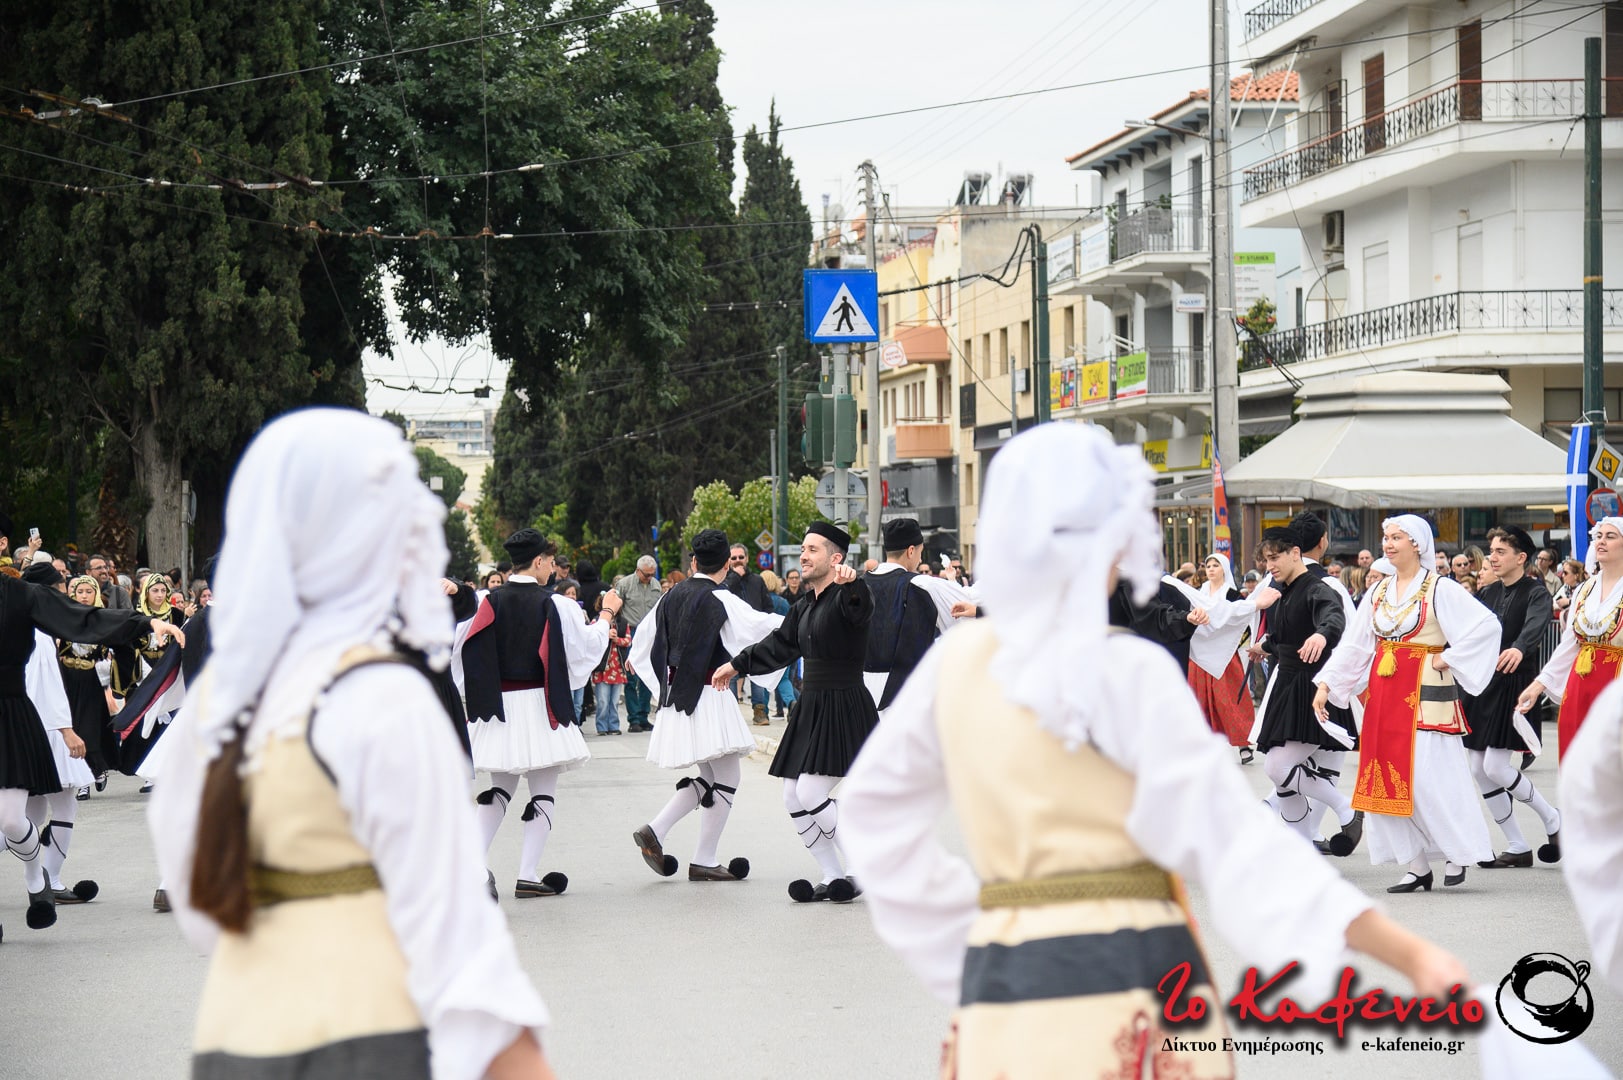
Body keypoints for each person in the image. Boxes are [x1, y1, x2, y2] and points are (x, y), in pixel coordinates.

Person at [838, 423, 1469, 1078]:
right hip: (1136, 971)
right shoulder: (1126, 671)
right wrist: (1407, 954)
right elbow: (1233, 840)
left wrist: (966, 941)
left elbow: (873, 816)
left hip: (1008, 980)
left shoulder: (960, 663)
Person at [146, 409, 556, 1080]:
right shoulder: (381, 696)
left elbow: (197, 895)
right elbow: (453, 923)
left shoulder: (227, 692)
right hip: (370, 1032)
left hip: (238, 1032)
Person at [0, 512, 183, 938]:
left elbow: (83, 619)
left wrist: (145, 622)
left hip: (9, 713)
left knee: (11, 820)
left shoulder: (21, 595)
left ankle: (36, 875)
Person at [1314, 515, 1499, 892]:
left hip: (1426, 693)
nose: (1388, 543)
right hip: (1384, 695)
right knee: (1382, 780)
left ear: (1417, 544)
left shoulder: (1439, 588)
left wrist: (1449, 657)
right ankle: (1417, 865)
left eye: (1397, 537)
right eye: (1386, 537)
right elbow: (1355, 645)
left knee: (1431, 778)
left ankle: (1456, 852)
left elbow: (1486, 626)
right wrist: (1327, 683)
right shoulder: (1378, 592)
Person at [710, 522, 876, 903]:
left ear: (835, 558)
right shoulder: (803, 607)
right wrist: (736, 665)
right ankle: (832, 874)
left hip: (845, 703)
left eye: (813, 549)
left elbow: (861, 608)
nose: (804, 555)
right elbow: (779, 646)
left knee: (810, 790)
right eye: (803, 549)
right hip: (812, 705)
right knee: (792, 796)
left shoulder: (849, 595)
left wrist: (854, 583)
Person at [456, 528, 620, 899]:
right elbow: (586, 648)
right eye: (548, 562)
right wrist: (607, 613)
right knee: (543, 791)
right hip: (542, 706)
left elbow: (461, 652)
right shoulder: (557, 605)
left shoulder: (487, 601)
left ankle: (472, 869)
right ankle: (527, 874)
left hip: (499, 706)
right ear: (540, 561)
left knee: (499, 789)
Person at [628, 530, 783, 883]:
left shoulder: (670, 596)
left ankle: (657, 831)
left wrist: (658, 683)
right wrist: (801, 622)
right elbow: (760, 627)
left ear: (694, 561)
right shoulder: (721, 598)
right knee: (728, 777)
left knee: (711, 777)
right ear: (727, 564)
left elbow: (644, 643)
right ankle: (703, 858)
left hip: (678, 696)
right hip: (710, 693)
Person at [1251, 526, 1364, 856]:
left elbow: (1334, 618)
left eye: (1275, 558)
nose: (1269, 565)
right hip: (1287, 687)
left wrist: (1322, 634)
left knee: (1277, 768)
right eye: (1266, 560)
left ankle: (1346, 809)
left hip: (1312, 689)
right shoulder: (1282, 590)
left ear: (1295, 553)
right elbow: (1286, 634)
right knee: (1282, 778)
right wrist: (1265, 646)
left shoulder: (1317, 587)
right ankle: (1301, 852)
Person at [1462, 527, 1561, 869]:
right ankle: (1517, 845)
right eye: (1491, 550)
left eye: (1500, 551)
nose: (1492, 557)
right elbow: (1468, 631)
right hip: (1484, 684)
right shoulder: (1487, 593)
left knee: (1495, 766)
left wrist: (1519, 647)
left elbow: (1535, 626)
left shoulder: (1536, 592)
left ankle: (1552, 818)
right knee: (1478, 768)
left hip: (1516, 685)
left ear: (1521, 558)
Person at [19, 562, 99, 906]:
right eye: (61, 592)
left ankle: (49, 879)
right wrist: (66, 731)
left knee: (29, 816)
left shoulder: (25, 627)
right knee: (60, 806)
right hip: (45, 729)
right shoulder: (38, 634)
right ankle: (51, 880)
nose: (65, 598)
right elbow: (47, 688)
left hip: (32, 728)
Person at [1518, 517, 1623, 761]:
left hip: (1615, 682)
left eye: (1610, 537)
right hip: (1580, 683)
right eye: (1598, 536)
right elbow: (1568, 645)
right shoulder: (1585, 589)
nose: (1601, 542)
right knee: (1577, 755)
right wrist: (1538, 685)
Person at [861, 518, 973, 720]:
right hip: (907, 693)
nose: (920, 559)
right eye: (921, 552)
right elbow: (967, 610)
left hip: (861, 693)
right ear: (911, 551)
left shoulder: (860, 585)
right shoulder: (923, 585)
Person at [1187, 553, 1276, 765]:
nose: (1211, 569)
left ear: (1224, 569)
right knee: (1199, 700)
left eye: (1215, 565)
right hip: (1199, 656)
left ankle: (1243, 744)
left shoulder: (1233, 595)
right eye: (1208, 565)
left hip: (1224, 655)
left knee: (1230, 700)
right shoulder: (1198, 593)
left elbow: (1242, 618)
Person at [59, 574, 120, 795]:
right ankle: (82, 780)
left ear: (96, 594)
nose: (84, 596)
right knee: (71, 725)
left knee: (89, 727)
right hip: (67, 678)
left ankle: (96, 768)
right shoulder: (63, 617)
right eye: (80, 592)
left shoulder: (101, 619)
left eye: (89, 592)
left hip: (91, 679)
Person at [614, 556, 663, 733]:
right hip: (631, 631)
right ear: (638, 570)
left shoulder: (656, 586)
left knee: (647, 675)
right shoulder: (625, 584)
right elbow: (616, 608)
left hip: (649, 633)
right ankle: (633, 718)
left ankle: (643, 717)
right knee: (631, 676)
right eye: (646, 575)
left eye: (652, 574)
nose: (649, 578)